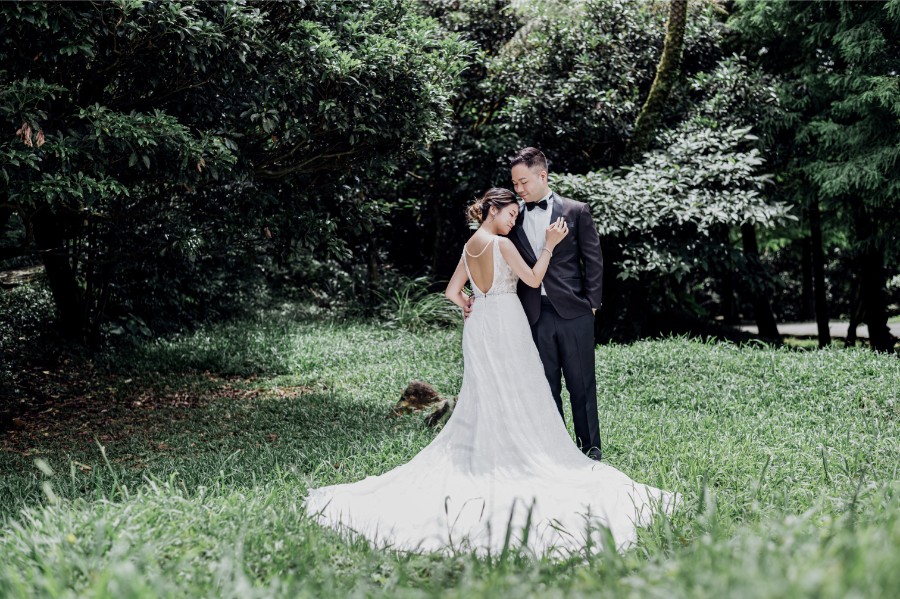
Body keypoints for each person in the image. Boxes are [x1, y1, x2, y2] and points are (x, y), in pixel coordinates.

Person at [304, 188, 675, 556]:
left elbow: (452, 292)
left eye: (516, 216)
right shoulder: (501, 245)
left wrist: (470, 302)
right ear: (492, 210)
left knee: (487, 392)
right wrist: (549, 244)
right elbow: (532, 280)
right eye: (510, 214)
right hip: (506, 320)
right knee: (519, 389)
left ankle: (490, 450)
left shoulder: (469, 246)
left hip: (479, 322)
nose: (514, 221)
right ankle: (518, 453)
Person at [508, 146, 604, 460]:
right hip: (534, 313)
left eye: (523, 182)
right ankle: (557, 452)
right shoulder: (514, 217)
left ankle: (590, 451)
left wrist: (591, 304)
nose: (519, 189)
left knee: (581, 386)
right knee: (544, 388)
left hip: (574, 312)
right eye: (515, 184)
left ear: (542, 175)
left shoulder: (576, 211)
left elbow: (593, 260)